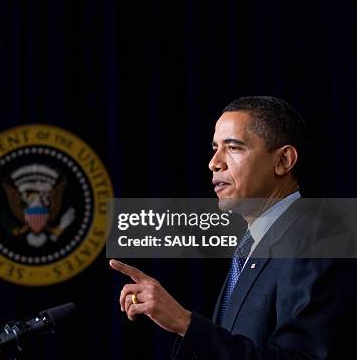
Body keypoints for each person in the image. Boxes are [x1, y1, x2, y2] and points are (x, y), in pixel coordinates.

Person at [110, 96, 357, 359]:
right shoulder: (252, 245)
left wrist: (185, 323)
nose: (214, 162)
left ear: (283, 160)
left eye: (233, 147)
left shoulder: (319, 236)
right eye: (215, 148)